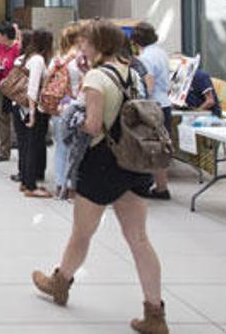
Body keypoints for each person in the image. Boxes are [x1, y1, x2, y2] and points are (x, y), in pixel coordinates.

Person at [33, 19, 167, 334]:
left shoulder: (96, 76)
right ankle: (155, 312)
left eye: (87, 42)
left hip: (102, 163)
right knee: (139, 239)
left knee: (81, 233)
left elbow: (93, 126)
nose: (83, 47)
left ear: (100, 44)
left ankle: (60, 283)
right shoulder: (132, 72)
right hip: (133, 162)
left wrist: (70, 117)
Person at [131, 22, 172, 200]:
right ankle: (162, 187)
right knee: (161, 147)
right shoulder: (161, 52)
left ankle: (152, 187)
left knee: (149, 147)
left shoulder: (145, 57)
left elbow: (148, 84)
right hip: (165, 103)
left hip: (152, 106)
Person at [13, 28, 54, 198]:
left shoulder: (26, 57)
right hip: (29, 109)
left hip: (19, 107)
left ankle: (25, 181)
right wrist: (33, 113)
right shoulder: (38, 60)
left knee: (25, 145)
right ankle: (30, 186)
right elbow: (33, 88)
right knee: (32, 146)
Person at [49, 23, 85, 198]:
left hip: (58, 107)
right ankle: (72, 187)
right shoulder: (80, 60)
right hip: (75, 107)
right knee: (76, 149)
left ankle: (59, 184)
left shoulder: (57, 59)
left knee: (60, 147)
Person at [0, 22, 20, 163]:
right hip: (1, 87)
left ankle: (16, 143)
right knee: (1, 117)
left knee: (17, 119)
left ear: (6, 36)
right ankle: (4, 150)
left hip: (14, 89)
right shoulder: (2, 47)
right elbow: (1, 63)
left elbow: (19, 70)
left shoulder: (18, 49)